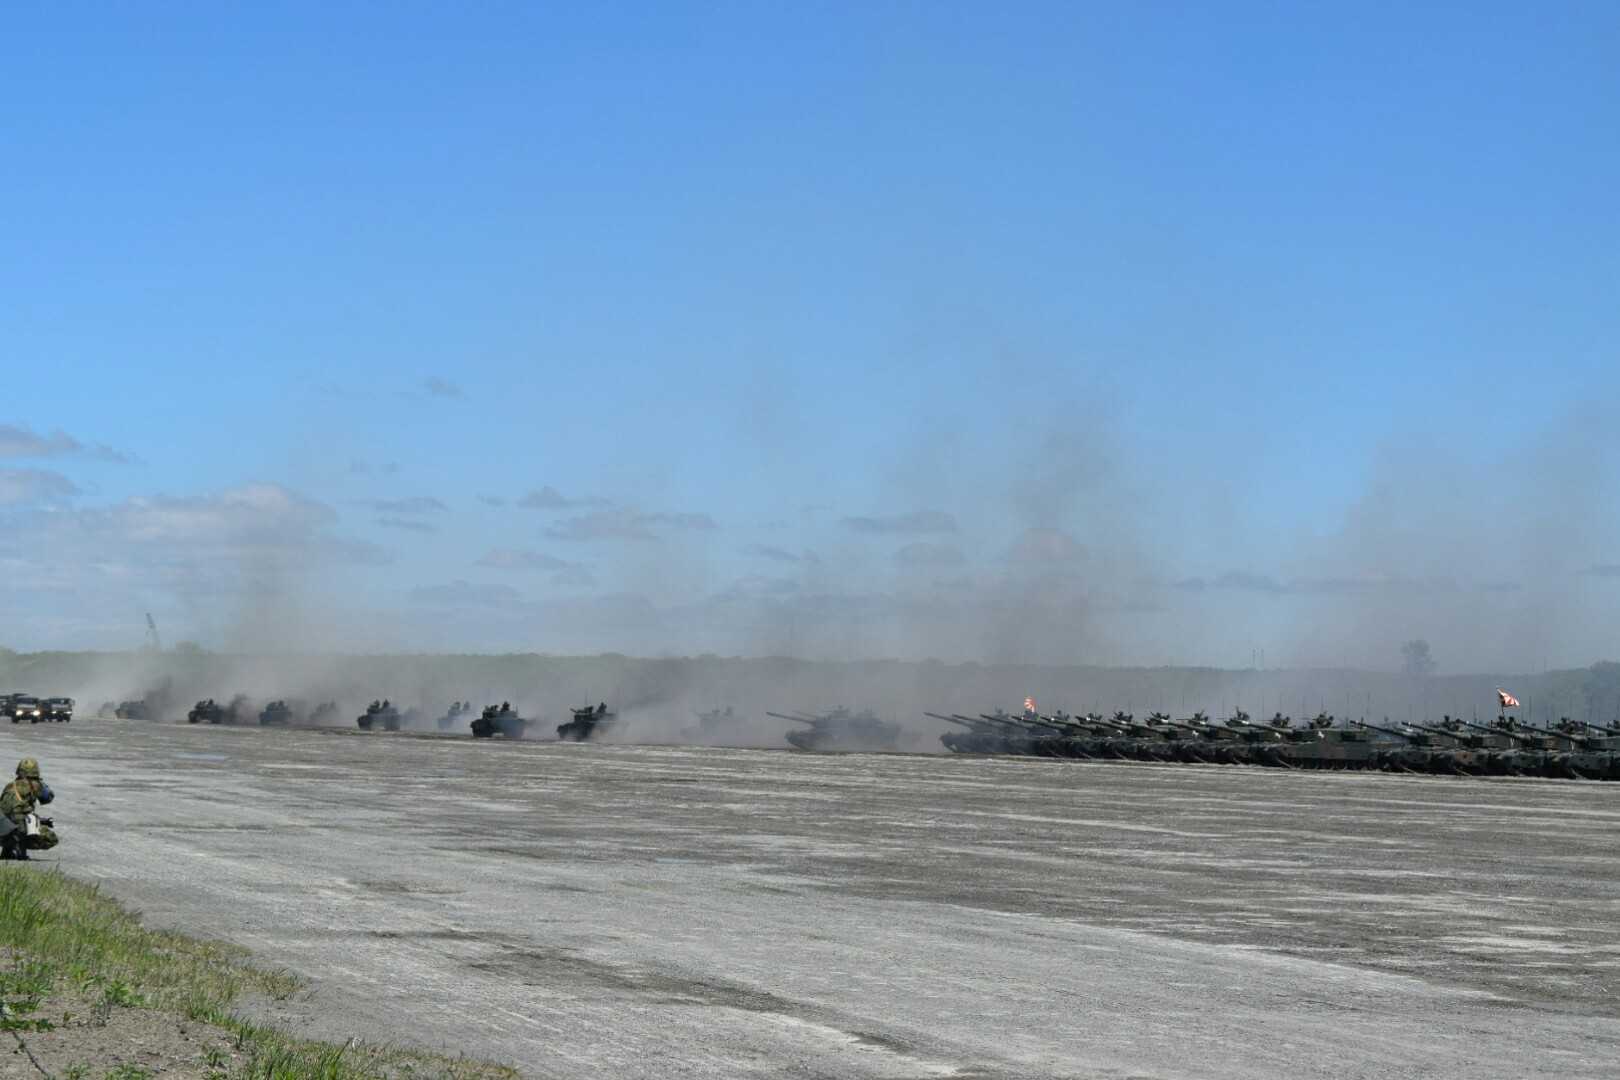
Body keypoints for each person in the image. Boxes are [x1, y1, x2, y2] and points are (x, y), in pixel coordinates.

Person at [0, 759, 57, 860]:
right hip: (19, 828)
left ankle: (7, 851)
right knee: (51, 838)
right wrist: (42, 784)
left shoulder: (10, 785)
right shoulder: (35, 784)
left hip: (2, 831)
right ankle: (20, 850)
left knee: (15, 823)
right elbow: (48, 798)